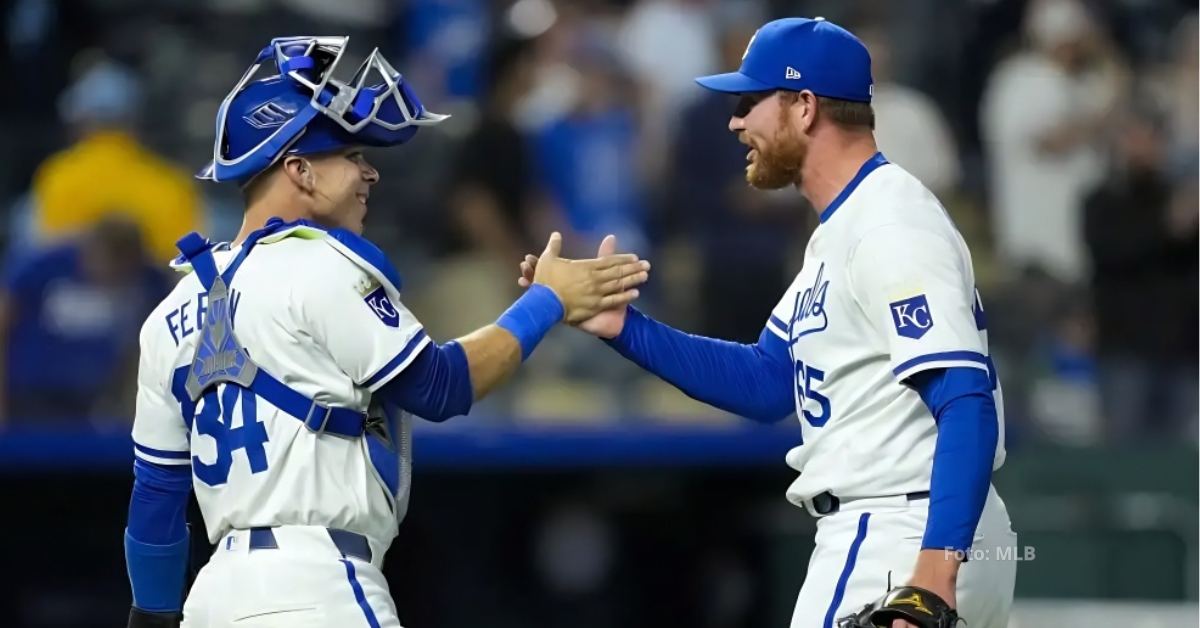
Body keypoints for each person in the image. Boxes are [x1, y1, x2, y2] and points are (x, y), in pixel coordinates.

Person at [122, 36, 650, 628]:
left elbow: (156, 503)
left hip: (213, 598)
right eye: (349, 155)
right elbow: (442, 386)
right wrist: (548, 300)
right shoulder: (319, 263)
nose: (368, 172)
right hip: (319, 586)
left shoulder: (171, 310)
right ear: (298, 169)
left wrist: (153, 617)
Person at [521, 17, 1015, 628]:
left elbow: (965, 397)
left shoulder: (890, 224)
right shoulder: (842, 228)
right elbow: (766, 381)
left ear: (804, 107)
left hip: (900, 538)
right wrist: (625, 327)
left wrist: (932, 581)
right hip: (907, 531)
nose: (735, 122)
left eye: (751, 102)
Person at [0, 215, 168, 427]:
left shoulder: (149, 282)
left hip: (99, 401)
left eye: (122, 269)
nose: (112, 276)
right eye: (108, 263)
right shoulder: (41, 269)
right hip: (30, 397)